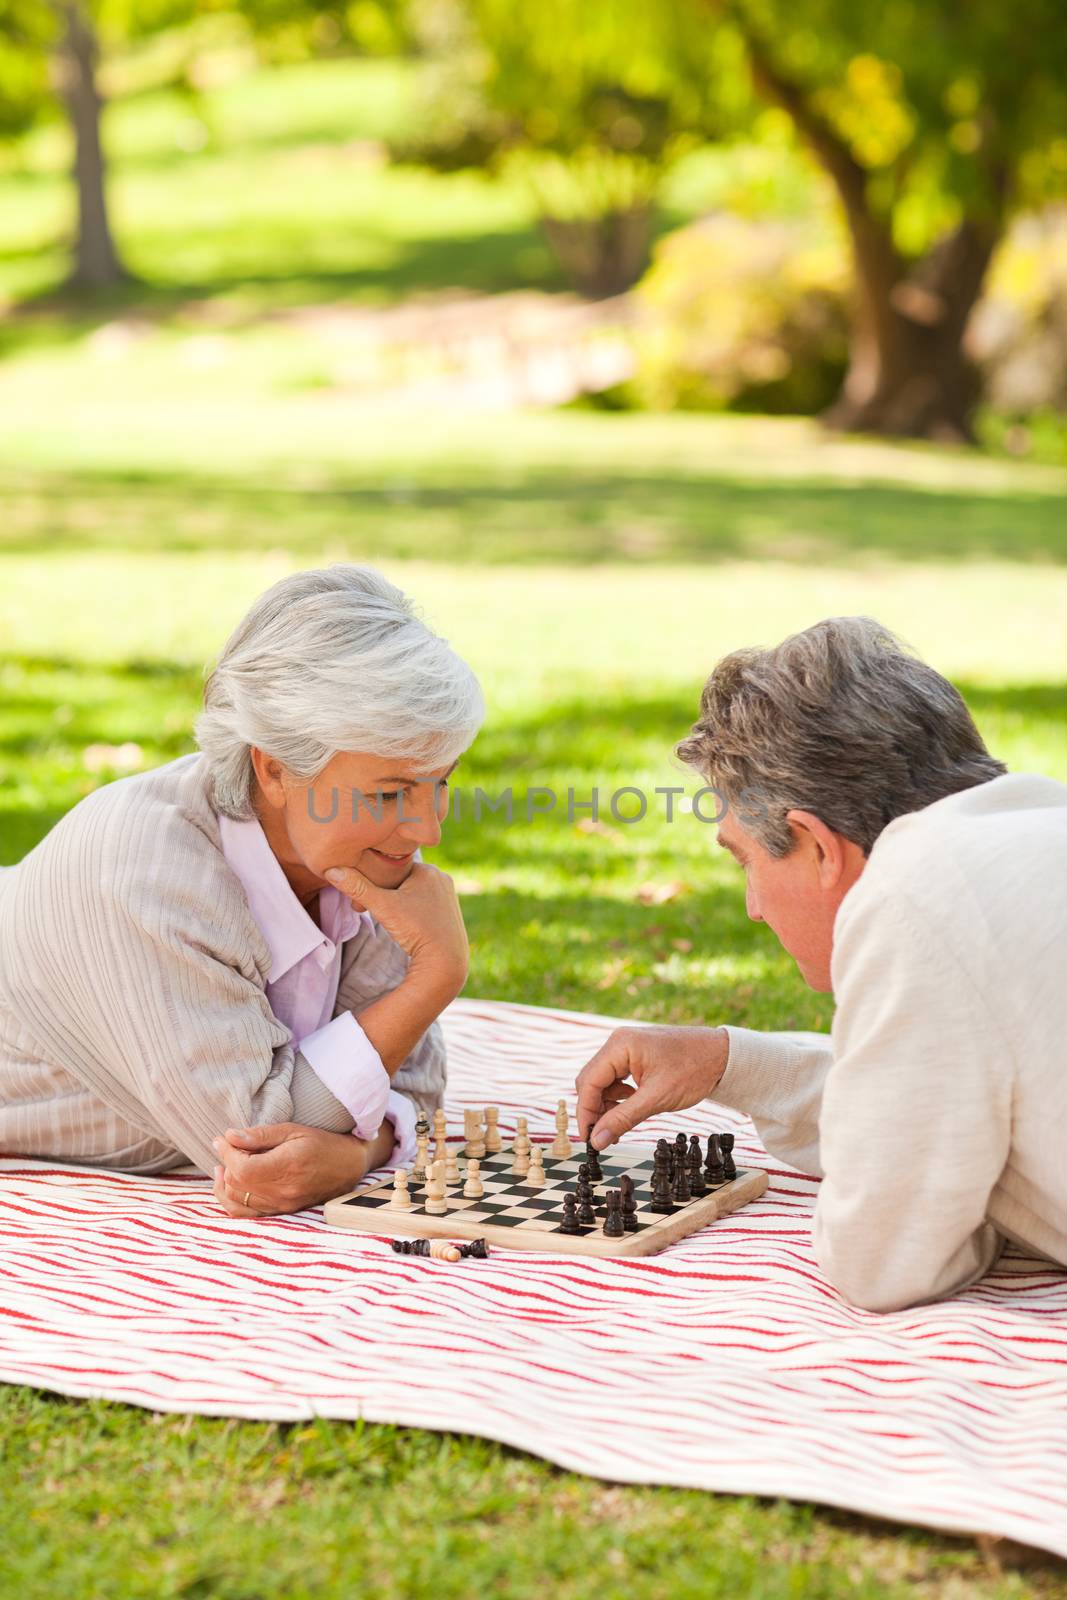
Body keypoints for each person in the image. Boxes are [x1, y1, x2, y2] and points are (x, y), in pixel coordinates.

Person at [576, 617, 1067, 1313]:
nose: (751, 906)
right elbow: (926, 1101)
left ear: (813, 843)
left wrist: (975, 1199)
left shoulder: (911, 897)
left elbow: (882, 1262)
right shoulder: (1033, 819)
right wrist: (727, 1062)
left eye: (744, 858)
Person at [0, 565, 484, 1219]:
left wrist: (361, 1155)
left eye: (440, 782)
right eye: (390, 792)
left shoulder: (360, 857)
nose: (426, 826)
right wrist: (435, 974)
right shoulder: (147, 875)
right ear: (273, 767)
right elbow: (257, 1142)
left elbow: (413, 1088)